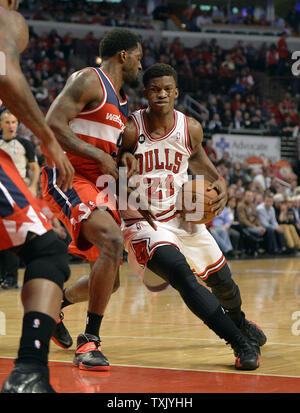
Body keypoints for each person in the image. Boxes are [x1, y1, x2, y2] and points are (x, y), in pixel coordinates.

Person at [56, 64, 265, 371]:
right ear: (146, 94)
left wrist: (220, 184)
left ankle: (239, 320)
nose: (161, 94)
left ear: (176, 92)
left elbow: (198, 159)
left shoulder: (189, 127)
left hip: (183, 216)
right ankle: (239, 342)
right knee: (181, 274)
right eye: (155, 89)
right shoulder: (130, 128)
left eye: (167, 89)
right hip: (144, 222)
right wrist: (126, 181)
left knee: (224, 283)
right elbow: (110, 168)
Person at [41, 28, 155, 371]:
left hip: (98, 184)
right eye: (137, 57)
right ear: (123, 55)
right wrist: (99, 155)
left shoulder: (121, 105)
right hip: (68, 174)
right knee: (110, 239)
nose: (140, 65)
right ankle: (89, 340)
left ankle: (55, 304)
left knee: (112, 281)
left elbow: (109, 152)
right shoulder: (90, 79)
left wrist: (122, 159)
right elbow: (52, 123)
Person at [0, 0, 74, 393]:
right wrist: (48, 139)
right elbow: (7, 77)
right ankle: (29, 371)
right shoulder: (6, 17)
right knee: (47, 250)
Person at [0, 110, 41, 289]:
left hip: (19, 195)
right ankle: (5, 276)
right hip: (2, 195)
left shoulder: (25, 144)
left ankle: (11, 278)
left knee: (17, 236)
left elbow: (35, 168)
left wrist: (32, 186)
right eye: (7, 122)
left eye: (14, 122)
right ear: (1, 125)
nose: (11, 126)